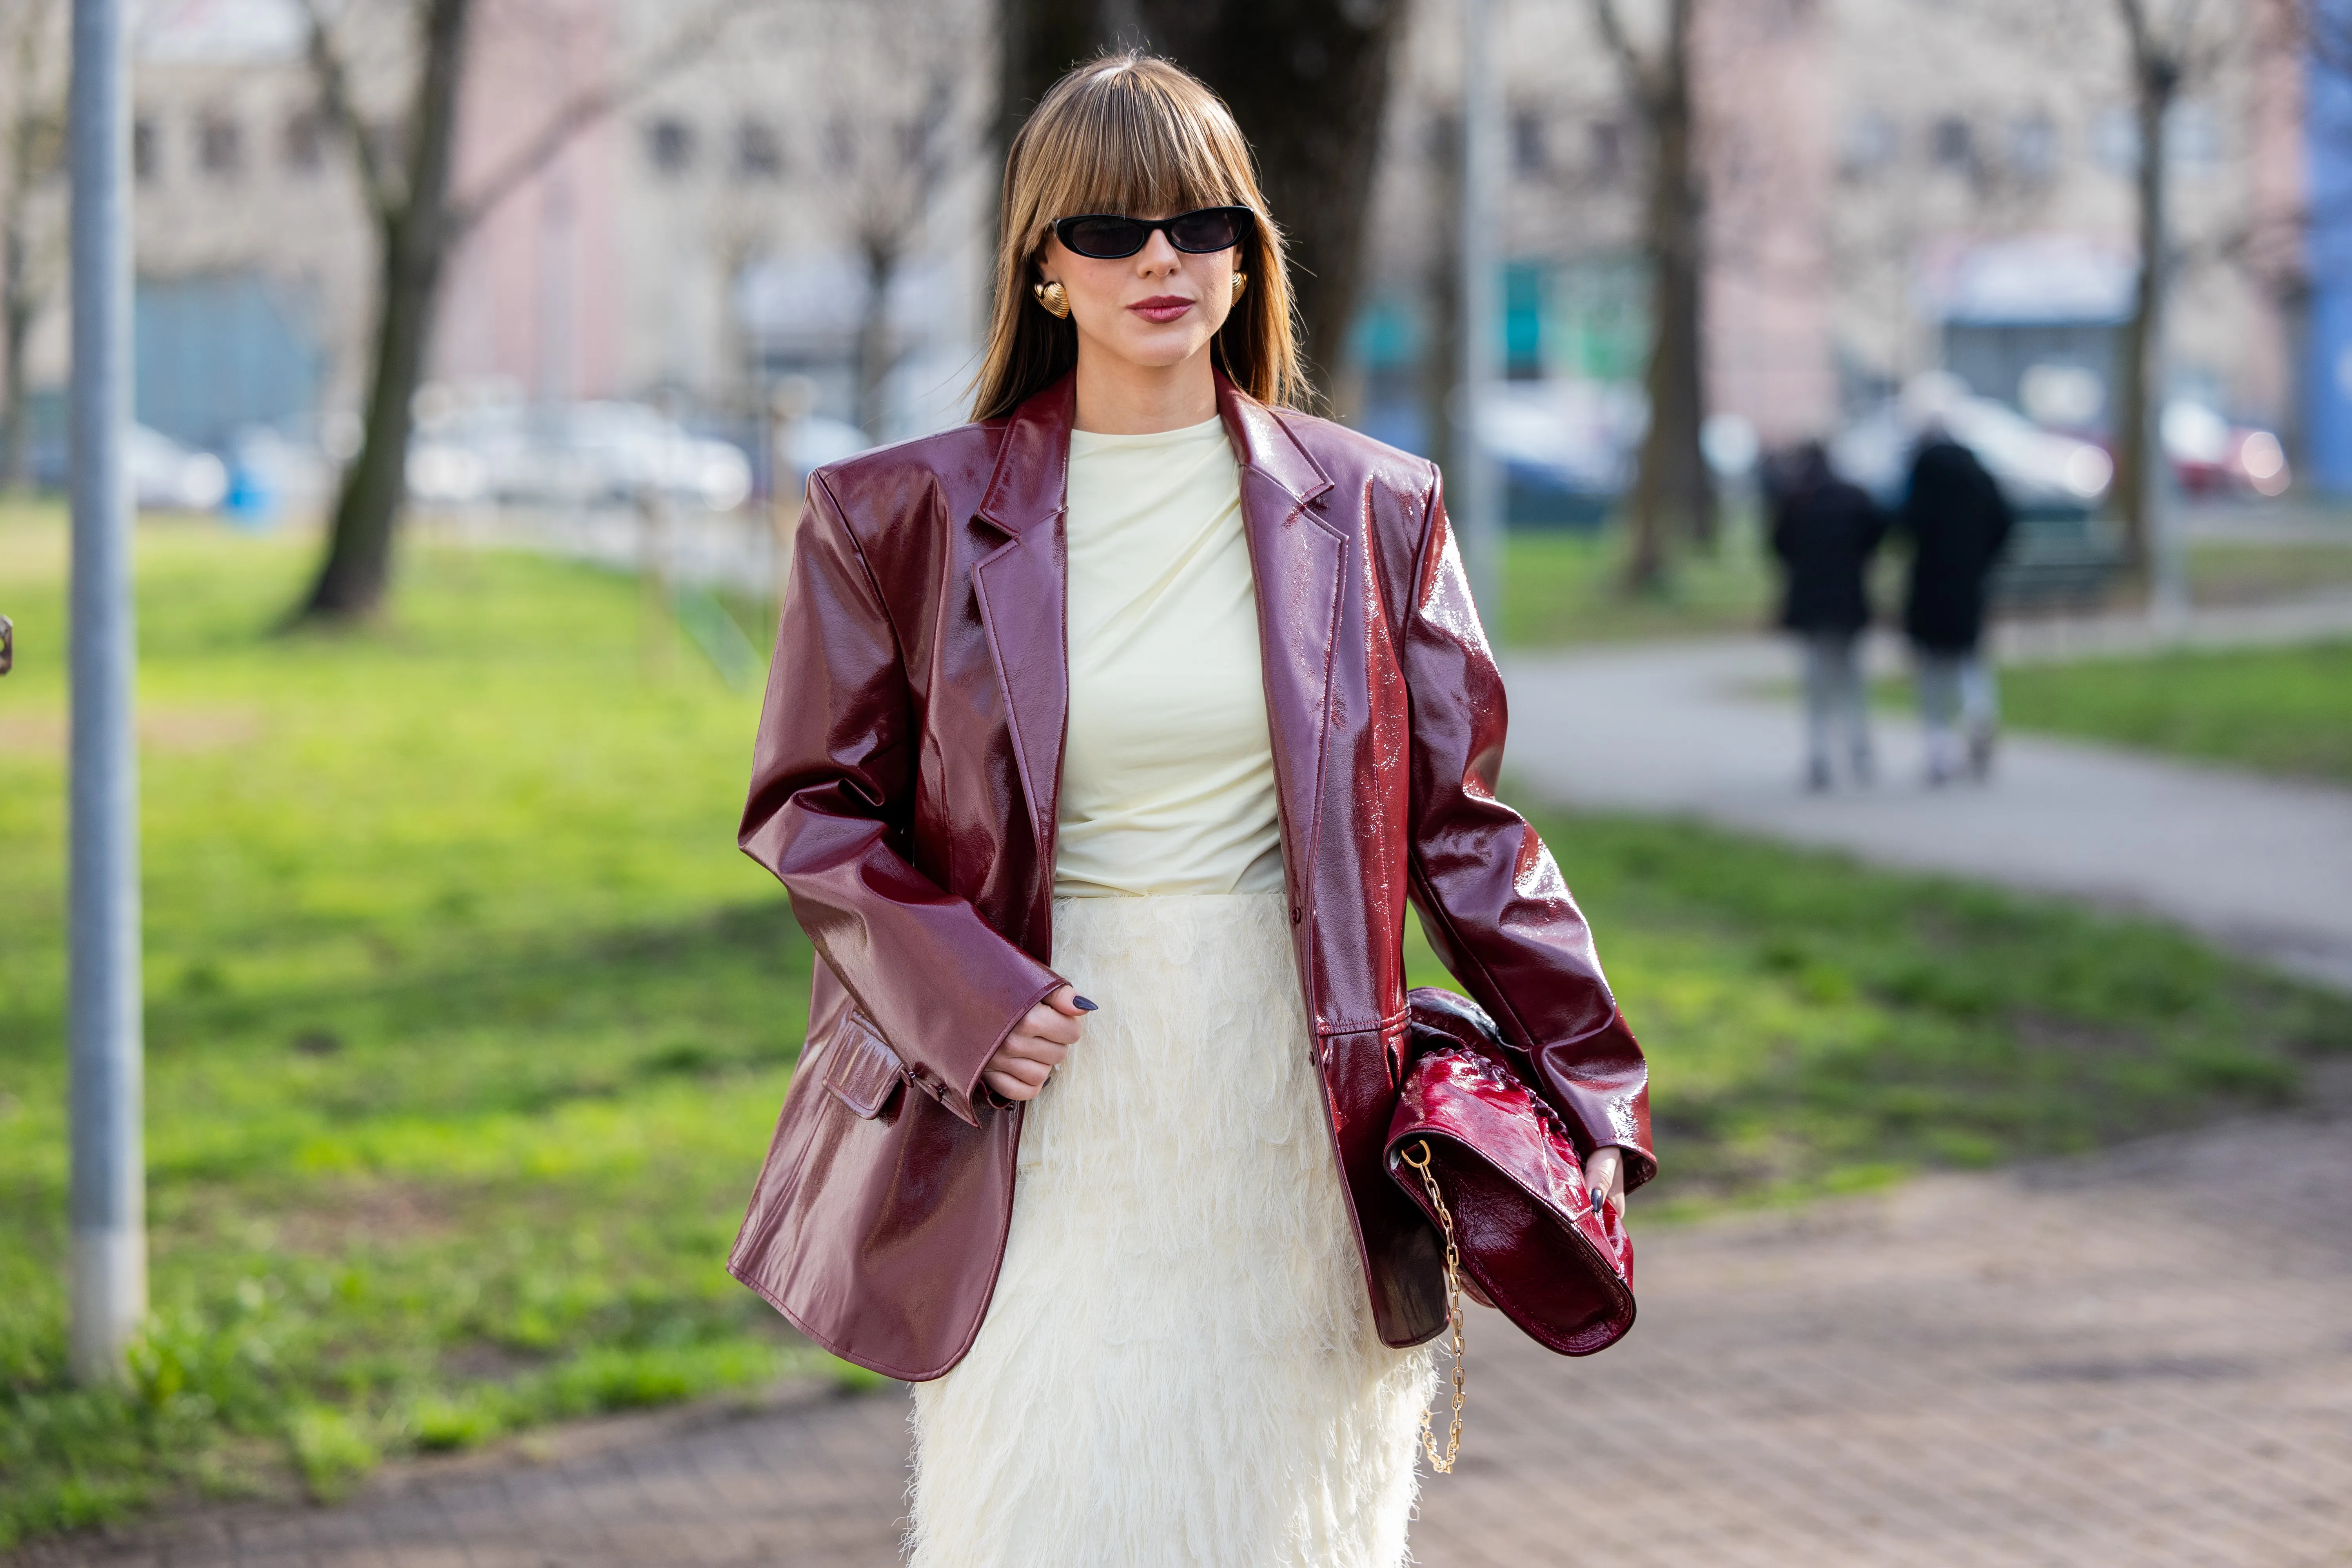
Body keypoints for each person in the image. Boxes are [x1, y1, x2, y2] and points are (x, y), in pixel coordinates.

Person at [727, 52, 1653, 1568]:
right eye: (1108, 227)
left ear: (1246, 250)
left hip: (1298, 1102)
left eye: (1199, 220)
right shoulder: (895, 516)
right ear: (1043, 261)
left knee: (1276, 1518)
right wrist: (960, 992)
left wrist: (1589, 1081)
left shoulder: (1375, 508)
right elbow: (808, 806)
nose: (1159, 257)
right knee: (1052, 1499)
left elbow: (1462, 825)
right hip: (1038, 1094)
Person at [1896, 430, 2016, 783]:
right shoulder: (1978, 476)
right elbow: (2005, 521)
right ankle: (1979, 715)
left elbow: (1905, 522)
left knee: (1932, 667)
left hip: (1929, 584)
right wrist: (1982, 560)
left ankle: (1939, 749)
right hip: (1969, 583)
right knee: (1971, 657)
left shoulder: (1923, 476)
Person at [1767, 440, 1886, 790]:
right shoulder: (1853, 497)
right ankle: (1858, 747)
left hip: (1810, 603)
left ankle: (1820, 754)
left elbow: (1778, 546)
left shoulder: (1795, 500)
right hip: (1849, 600)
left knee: (1815, 679)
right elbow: (1874, 536)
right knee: (1851, 677)